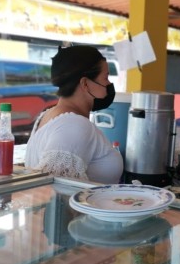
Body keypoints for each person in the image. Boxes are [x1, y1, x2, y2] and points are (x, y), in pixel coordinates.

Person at [25, 45, 123, 184]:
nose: (108, 84)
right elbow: (54, 190)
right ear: (85, 84)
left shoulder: (48, 116)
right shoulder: (74, 125)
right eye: (105, 77)